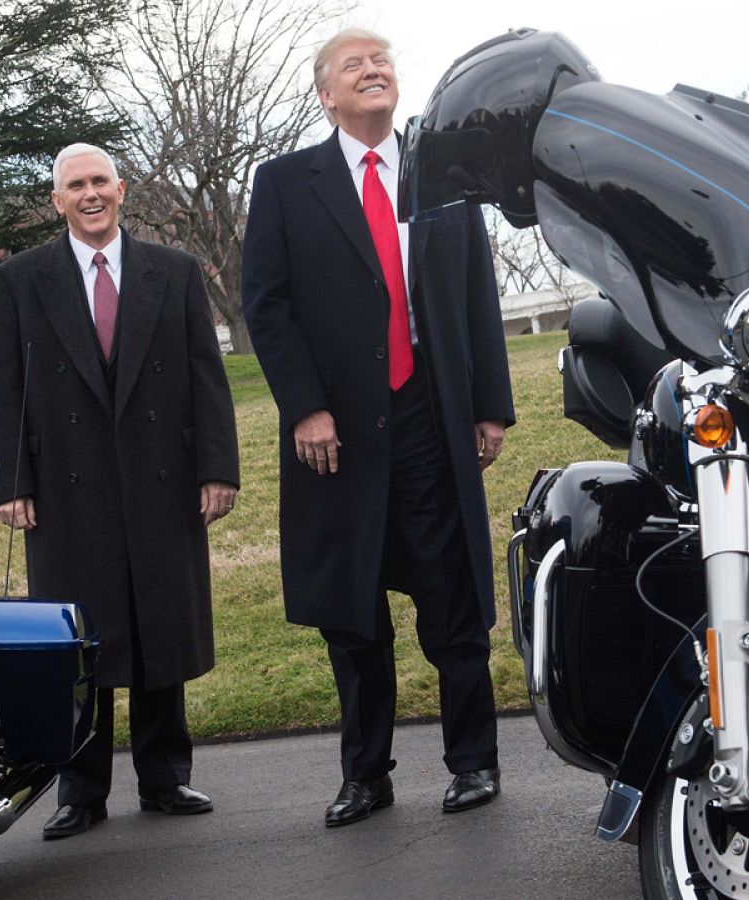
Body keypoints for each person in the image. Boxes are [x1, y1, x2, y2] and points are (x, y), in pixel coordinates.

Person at [241, 27, 515, 827]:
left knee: (451, 599)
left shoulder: (441, 177)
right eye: (353, 65)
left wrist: (488, 405)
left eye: (382, 61)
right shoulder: (287, 182)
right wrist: (305, 407)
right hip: (337, 432)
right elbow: (268, 304)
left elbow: (476, 292)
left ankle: (474, 762)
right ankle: (367, 774)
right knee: (351, 612)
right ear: (326, 94)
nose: (373, 71)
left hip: (430, 412)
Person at [0, 143, 241, 840]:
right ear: (56, 200)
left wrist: (218, 468)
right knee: (76, 639)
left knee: (160, 625)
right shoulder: (22, 281)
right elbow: (3, 387)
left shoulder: (175, 273)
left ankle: (166, 779)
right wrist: (10, 482)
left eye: (100, 181)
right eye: (76, 186)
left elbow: (207, 380)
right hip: (65, 483)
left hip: (162, 474)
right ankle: (80, 791)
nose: (90, 194)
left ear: (121, 190)